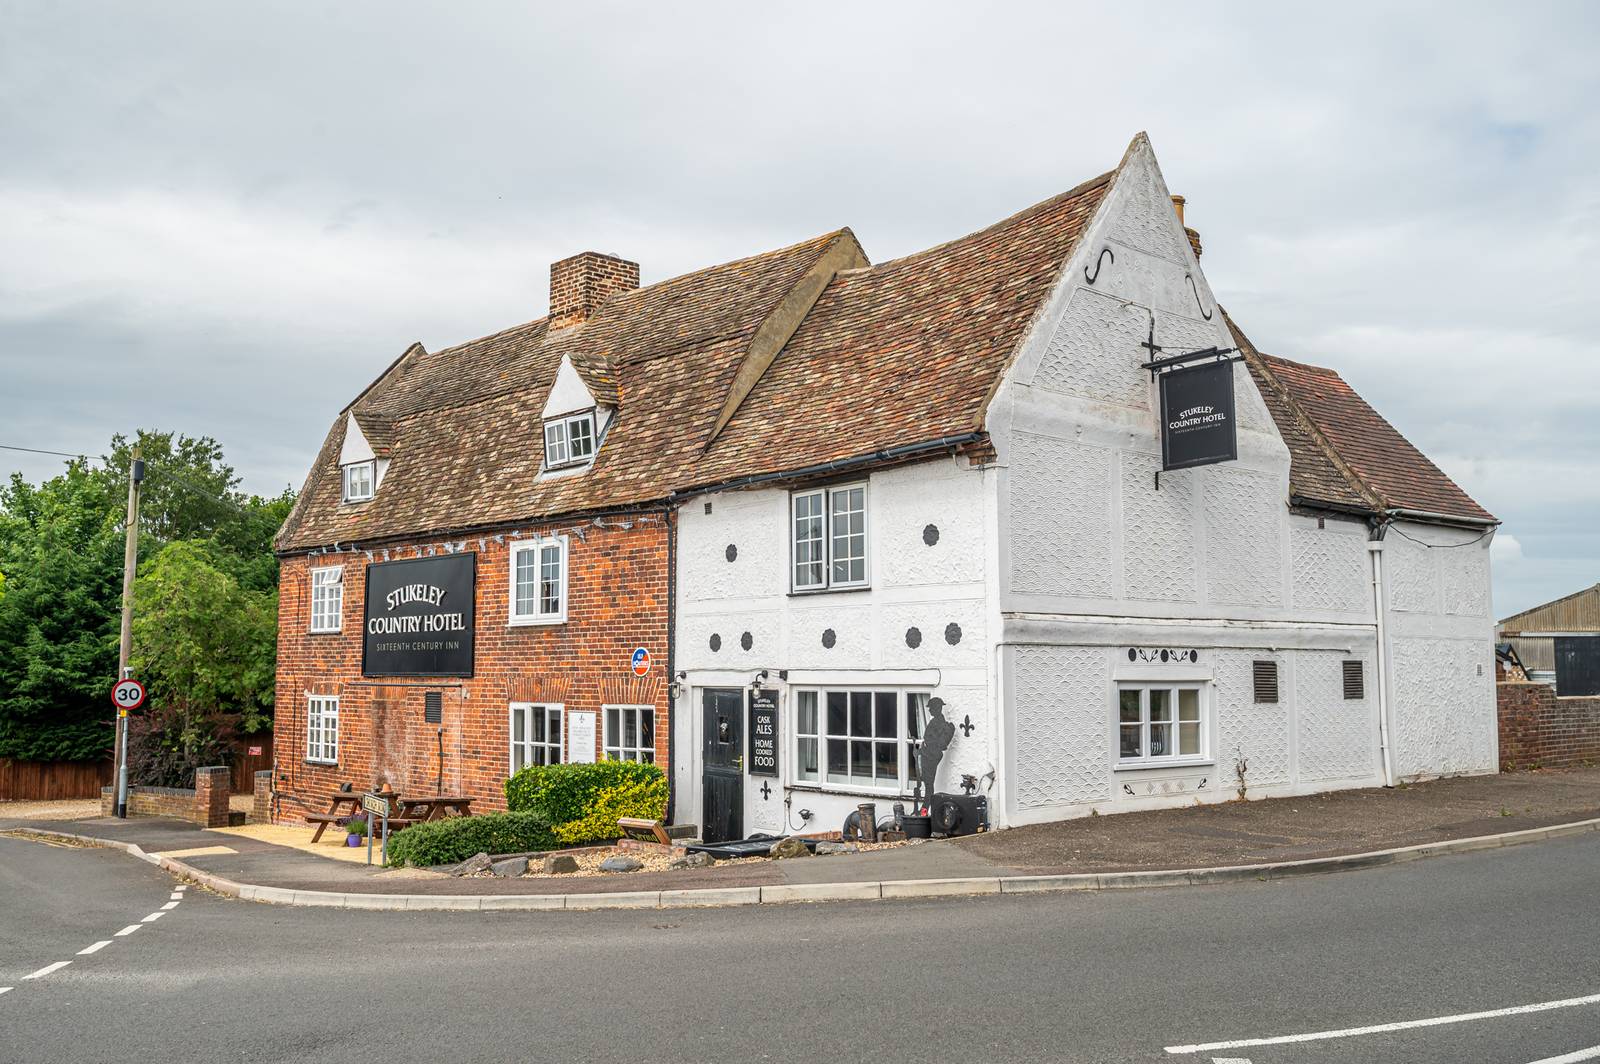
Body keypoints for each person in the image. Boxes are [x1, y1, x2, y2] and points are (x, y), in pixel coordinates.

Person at [917, 699, 956, 812]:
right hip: (927, 753)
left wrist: (927, 748)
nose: (929, 710)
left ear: (937, 708)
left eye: (931, 708)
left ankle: (924, 810)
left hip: (930, 755)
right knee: (927, 783)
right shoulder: (935, 721)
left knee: (929, 785)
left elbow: (936, 742)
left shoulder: (939, 723)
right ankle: (924, 809)